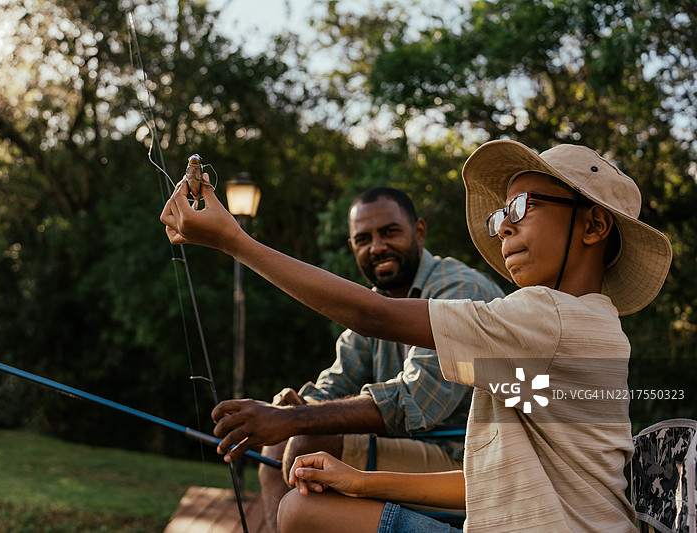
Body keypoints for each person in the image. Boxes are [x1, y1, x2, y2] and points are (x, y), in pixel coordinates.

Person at [160, 140, 672, 532]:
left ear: (593, 225)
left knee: (301, 512)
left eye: (522, 208)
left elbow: (374, 315)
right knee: (304, 504)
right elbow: (490, 483)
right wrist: (359, 481)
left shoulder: (546, 318)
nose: (503, 229)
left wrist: (234, 240)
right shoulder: (587, 326)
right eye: (500, 216)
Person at [229, 187, 504, 531]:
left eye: (389, 232)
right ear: (352, 247)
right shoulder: (375, 305)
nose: (376, 247)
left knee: (307, 442)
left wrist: (300, 419)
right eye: (363, 239)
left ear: (419, 232)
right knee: (280, 444)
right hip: (415, 449)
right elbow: (337, 381)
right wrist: (292, 410)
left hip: (467, 458)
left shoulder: (459, 289)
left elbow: (414, 401)